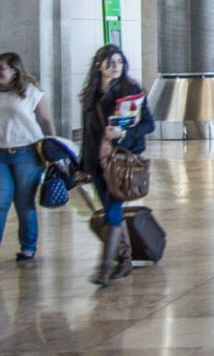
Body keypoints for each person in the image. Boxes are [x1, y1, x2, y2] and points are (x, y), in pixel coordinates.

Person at [0, 52, 56, 269]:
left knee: (24, 203)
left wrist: (54, 148)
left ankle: (28, 247)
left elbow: (45, 120)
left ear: (15, 70)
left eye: (2, 68)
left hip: (27, 153)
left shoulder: (30, 92)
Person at [79, 44, 154, 286]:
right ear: (99, 65)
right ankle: (124, 260)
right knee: (111, 210)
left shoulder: (130, 91)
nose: (115, 67)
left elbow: (148, 124)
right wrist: (82, 166)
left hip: (121, 161)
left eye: (119, 62)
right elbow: (88, 134)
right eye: (110, 62)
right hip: (97, 162)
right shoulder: (91, 95)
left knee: (112, 209)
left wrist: (123, 133)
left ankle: (103, 268)